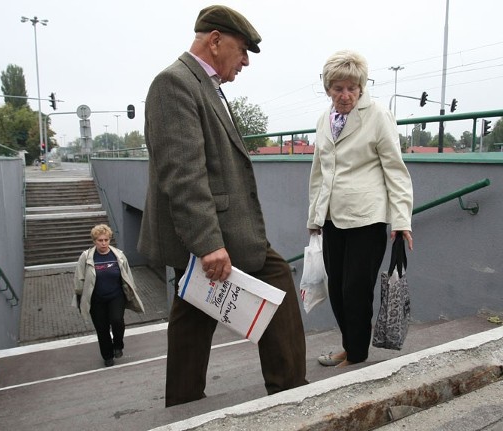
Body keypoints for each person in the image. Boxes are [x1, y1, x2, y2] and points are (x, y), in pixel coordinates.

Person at [138, 5, 308, 407]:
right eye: (243, 49)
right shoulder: (174, 83)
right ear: (215, 41)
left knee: (193, 317)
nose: (246, 61)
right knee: (275, 280)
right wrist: (208, 242)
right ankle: (289, 396)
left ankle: (183, 405)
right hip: (217, 234)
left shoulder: (205, 84)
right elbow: (183, 173)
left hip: (222, 229)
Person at [307, 50, 414, 368]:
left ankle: (357, 355)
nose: (346, 95)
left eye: (352, 88)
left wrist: (401, 218)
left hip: (367, 218)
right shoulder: (323, 120)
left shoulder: (378, 114)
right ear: (328, 89)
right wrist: (314, 217)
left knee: (355, 289)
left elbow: (395, 170)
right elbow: (318, 171)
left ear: (361, 87)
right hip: (331, 218)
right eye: (338, 88)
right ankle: (349, 345)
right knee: (337, 290)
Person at [74, 224, 144, 367]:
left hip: (116, 296)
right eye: (100, 240)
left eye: (106, 240)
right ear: (94, 241)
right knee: (102, 328)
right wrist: (80, 297)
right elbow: (79, 278)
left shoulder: (118, 255)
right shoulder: (86, 257)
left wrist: (131, 291)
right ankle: (107, 356)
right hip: (96, 300)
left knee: (117, 320)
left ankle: (118, 345)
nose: (104, 243)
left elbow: (127, 275)